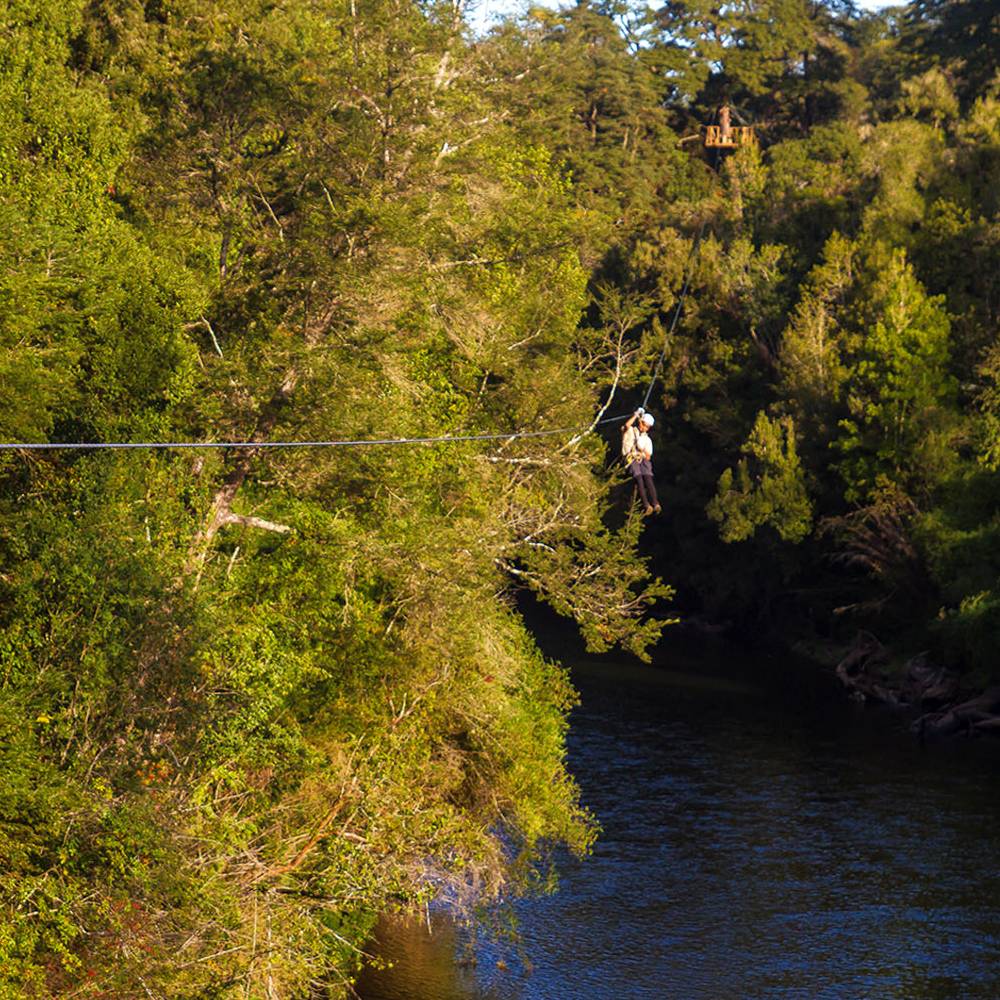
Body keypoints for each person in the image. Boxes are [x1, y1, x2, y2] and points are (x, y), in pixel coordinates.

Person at [622, 408, 661, 514]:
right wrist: (636, 415)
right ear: (640, 422)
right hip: (631, 457)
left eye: (647, 427)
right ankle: (646, 505)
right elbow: (626, 425)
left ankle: (655, 503)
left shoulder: (647, 439)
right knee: (639, 478)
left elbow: (648, 456)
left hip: (641, 458)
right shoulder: (630, 431)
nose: (644, 428)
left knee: (648, 478)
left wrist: (642, 451)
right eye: (643, 424)